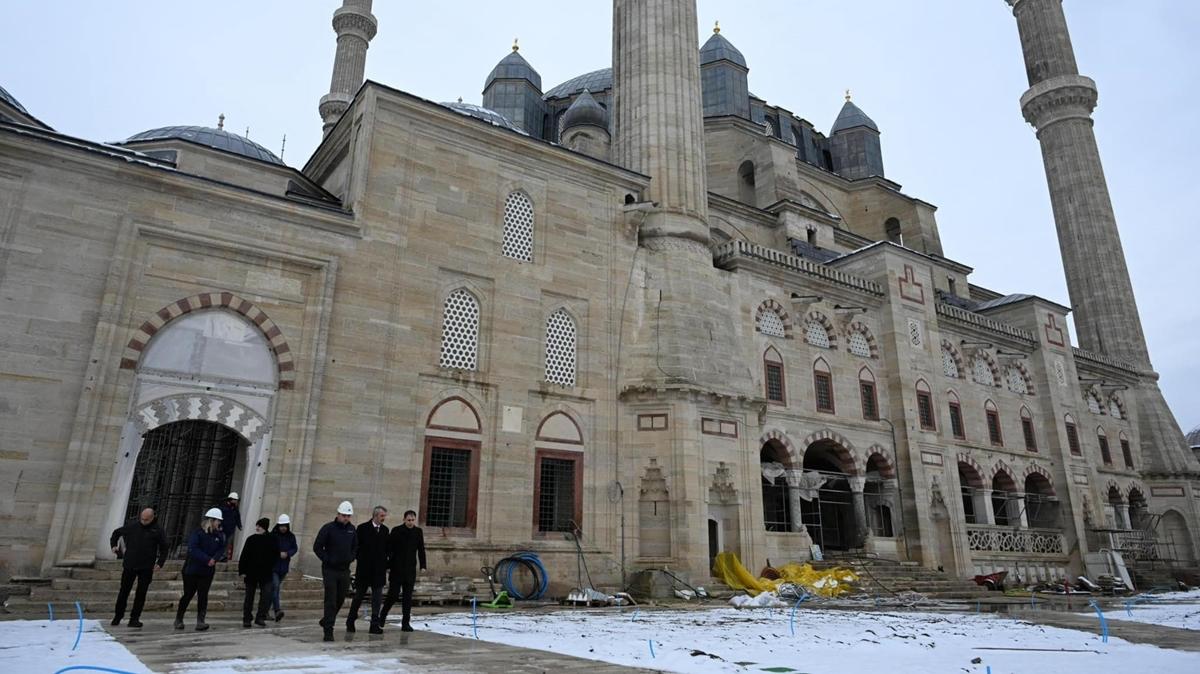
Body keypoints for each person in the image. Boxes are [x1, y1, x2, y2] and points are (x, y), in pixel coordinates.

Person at [109, 507, 168, 628]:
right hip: (130, 564)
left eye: (146, 520)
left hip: (146, 567)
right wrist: (114, 545)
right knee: (123, 591)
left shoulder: (157, 530)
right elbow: (116, 533)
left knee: (141, 593)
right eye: (142, 519)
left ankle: (134, 618)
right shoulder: (133, 526)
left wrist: (160, 562)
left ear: (152, 518)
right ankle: (117, 616)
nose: (143, 521)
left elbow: (164, 547)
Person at [175, 508, 226, 631]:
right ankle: (179, 618)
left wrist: (215, 558)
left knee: (203, 595)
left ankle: (201, 620)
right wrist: (207, 559)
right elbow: (193, 549)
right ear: (211, 520)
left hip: (207, 571)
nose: (219, 523)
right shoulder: (198, 533)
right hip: (192, 569)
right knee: (188, 594)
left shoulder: (218, 535)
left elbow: (221, 549)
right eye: (217, 521)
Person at [313, 500, 357, 642]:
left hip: (344, 570)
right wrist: (327, 559)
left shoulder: (352, 530)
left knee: (340, 598)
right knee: (331, 600)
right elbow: (317, 547)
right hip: (330, 570)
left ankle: (326, 619)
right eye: (344, 515)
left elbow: (356, 547)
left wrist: (351, 557)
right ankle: (328, 630)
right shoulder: (328, 528)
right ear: (338, 514)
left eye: (348, 516)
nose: (346, 518)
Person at [381, 509, 426, 632]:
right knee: (393, 595)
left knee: (407, 597)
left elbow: (421, 549)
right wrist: (388, 564)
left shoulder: (418, 532)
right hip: (397, 569)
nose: (411, 522)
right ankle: (382, 616)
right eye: (408, 520)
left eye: (412, 520)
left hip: (410, 569)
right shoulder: (397, 531)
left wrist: (423, 565)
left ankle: (406, 623)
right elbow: (389, 547)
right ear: (404, 519)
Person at [347, 505, 389, 635]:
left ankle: (374, 624)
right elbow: (356, 547)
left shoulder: (385, 530)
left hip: (379, 570)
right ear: (375, 515)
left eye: (384, 516)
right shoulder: (362, 528)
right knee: (359, 596)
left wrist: (386, 564)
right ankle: (350, 620)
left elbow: (386, 549)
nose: (383, 519)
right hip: (364, 569)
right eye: (382, 516)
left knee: (377, 598)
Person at [238, 517, 278, 628]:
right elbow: (244, 555)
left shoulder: (272, 540)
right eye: (257, 526)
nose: (257, 528)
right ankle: (247, 618)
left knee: (266, 596)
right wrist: (242, 570)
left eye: (259, 526)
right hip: (251, 572)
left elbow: (275, 555)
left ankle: (260, 617)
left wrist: (271, 567)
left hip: (266, 573)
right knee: (249, 597)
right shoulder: (251, 539)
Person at [270, 514, 298, 622]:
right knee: (275, 587)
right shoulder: (273, 535)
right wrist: (278, 553)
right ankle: (277, 610)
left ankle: (265, 611)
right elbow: (270, 548)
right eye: (281, 525)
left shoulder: (291, 536)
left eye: (285, 526)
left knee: (274, 589)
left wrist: (288, 553)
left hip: (284, 567)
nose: (283, 528)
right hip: (274, 566)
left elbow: (294, 548)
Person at [218, 492, 243, 560]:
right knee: (222, 542)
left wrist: (239, 525)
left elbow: (237, 517)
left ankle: (224, 556)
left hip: (231, 529)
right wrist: (219, 526)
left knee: (227, 543)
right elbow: (220, 517)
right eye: (234, 500)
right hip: (223, 528)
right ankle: (220, 555)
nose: (235, 502)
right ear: (230, 499)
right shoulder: (223, 507)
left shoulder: (235, 509)